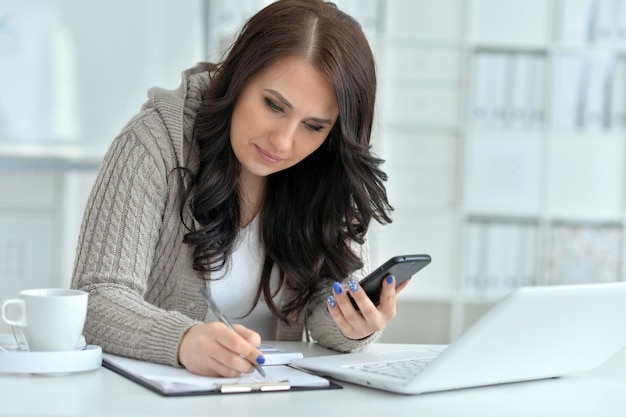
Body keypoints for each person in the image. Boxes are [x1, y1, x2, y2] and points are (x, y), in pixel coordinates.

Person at [71, 0, 407, 378]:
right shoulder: (154, 143)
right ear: (239, 76)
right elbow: (96, 301)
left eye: (313, 126)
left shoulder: (327, 171)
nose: (282, 143)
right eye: (273, 105)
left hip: (277, 398)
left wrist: (351, 324)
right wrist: (182, 341)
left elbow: (319, 307)